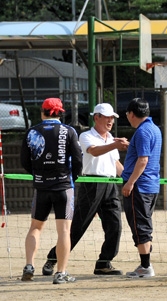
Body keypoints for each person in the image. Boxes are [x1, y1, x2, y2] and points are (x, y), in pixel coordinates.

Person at [42, 103, 129, 276]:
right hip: (92, 184)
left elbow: (116, 164)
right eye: (107, 117)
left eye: (112, 117)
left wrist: (130, 179)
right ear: (96, 117)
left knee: (115, 225)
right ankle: (52, 260)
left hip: (110, 185)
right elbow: (94, 151)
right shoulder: (85, 136)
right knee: (77, 228)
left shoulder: (111, 139)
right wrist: (114, 145)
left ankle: (104, 263)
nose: (110, 120)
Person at [20, 98, 83, 284]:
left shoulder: (32, 131)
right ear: (60, 113)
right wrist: (73, 177)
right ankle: (61, 273)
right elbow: (78, 159)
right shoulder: (69, 131)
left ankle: (29, 265)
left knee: (35, 227)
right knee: (64, 230)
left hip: (41, 187)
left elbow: (24, 160)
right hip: (63, 186)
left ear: (43, 112)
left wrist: (37, 174)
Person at [121, 98, 162, 278]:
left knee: (140, 227)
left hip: (140, 186)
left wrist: (130, 182)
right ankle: (144, 264)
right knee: (144, 224)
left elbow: (143, 160)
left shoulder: (142, 131)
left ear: (131, 114)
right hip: (151, 185)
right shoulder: (154, 129)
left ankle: (146, 266)